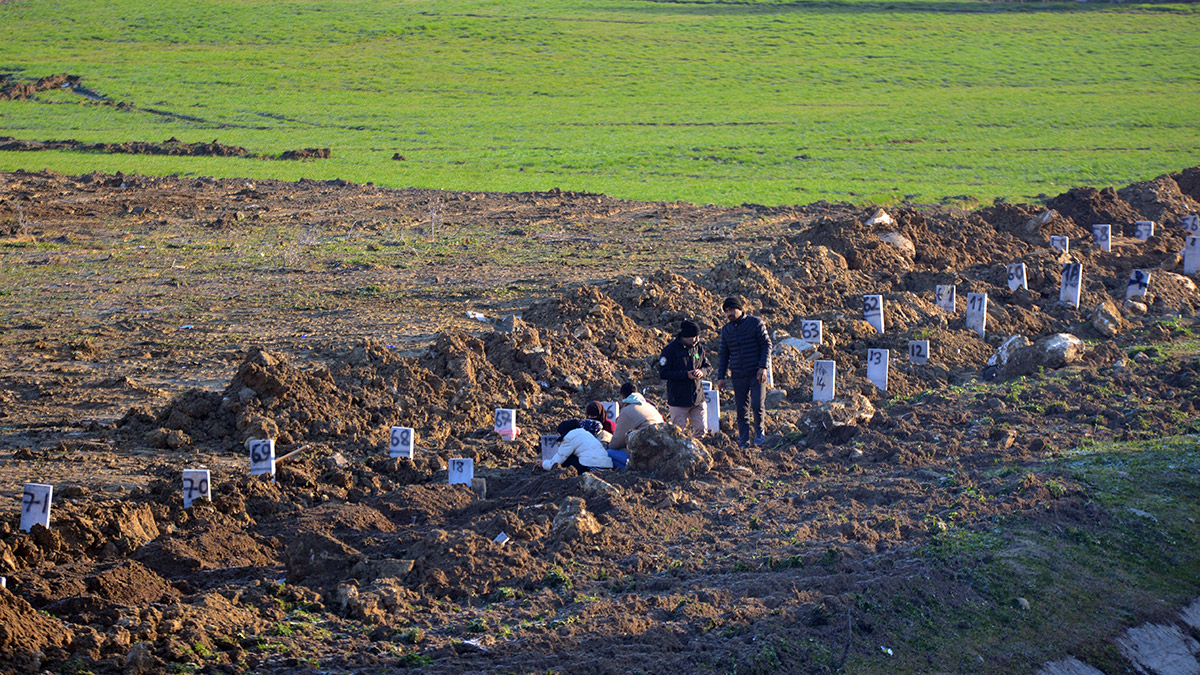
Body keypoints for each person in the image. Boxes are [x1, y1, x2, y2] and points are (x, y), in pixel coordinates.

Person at [716, 296, 771, 448]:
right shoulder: (726, 330)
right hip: (738, 374)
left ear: (740, 309)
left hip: (756, 373)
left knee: (757, 404)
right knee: (741, 409)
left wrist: (763, 367)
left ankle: (759, 432)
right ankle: (743, 440)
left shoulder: (755, 323)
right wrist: (721, 377)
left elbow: (766, 344)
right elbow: (724, 354)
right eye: (726, 311)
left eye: (731, 310)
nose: (729, 314)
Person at [657, 319, 712, 437]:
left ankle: (697, 452)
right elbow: (663, 373)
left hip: (697, 398)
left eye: (697, 336)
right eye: (692, 337)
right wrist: (685, 375)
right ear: (684, 336)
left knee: (701, 430)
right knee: (677, 433)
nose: (695, 340)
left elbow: (708, 366)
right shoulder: (670, 350)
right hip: (678, 400)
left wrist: (701, 372)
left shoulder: (698, 348)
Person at [608, 382, 664, 450]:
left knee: (610, 453)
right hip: (663, 443)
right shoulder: (649, 406)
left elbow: (616, 443)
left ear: (622, 396)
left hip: (648, 450)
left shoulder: (626, 411)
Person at [543, 420, 613, 474]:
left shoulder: (569, 438)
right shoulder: (584, 433)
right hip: (606, 466)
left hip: (593, 468)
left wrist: (544, 464)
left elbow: (558, 460)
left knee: (567, 460)